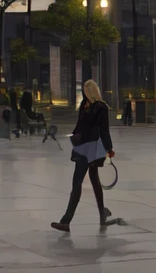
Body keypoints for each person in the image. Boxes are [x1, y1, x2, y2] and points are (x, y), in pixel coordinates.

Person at [52, 79, 116, 232]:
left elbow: (104, 130)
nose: (84, 93)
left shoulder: (101, 107)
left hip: (90, 148)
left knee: (77, 183)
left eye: (87, 90)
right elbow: (80, 125)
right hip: (83, 147)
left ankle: (66, 221)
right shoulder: (85, 105)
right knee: (93, 179)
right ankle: (102, 214)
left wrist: (109, 148)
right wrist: (75, 138)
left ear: (91, 91)